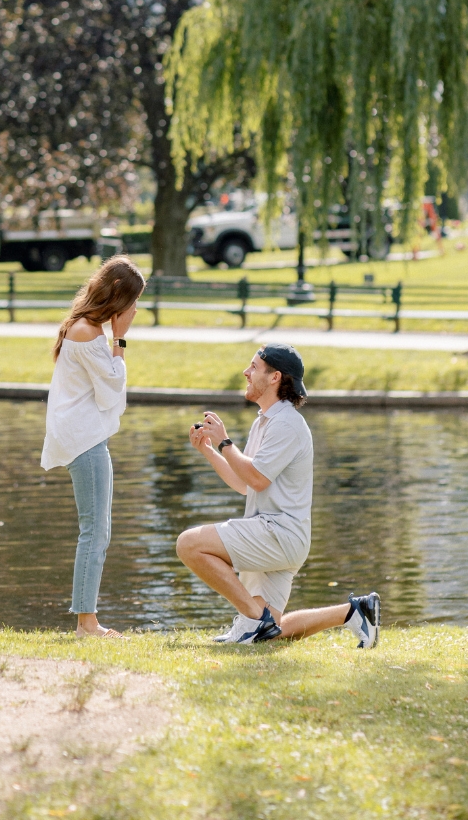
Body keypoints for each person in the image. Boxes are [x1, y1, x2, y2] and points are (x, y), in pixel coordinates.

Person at [176, 343, 381, 647]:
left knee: (189, 544)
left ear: (274, 378)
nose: (246, 373)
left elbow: (256, 479)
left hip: (278, 534)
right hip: (279, 536)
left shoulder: (286, 423)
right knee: (273, 632)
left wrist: (225, 442)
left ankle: (253, 621)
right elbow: (246, 482)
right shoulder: (267, 420)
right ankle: (355, 612)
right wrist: (209, 450)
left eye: (254, 367)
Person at [42, 255, 146, 638]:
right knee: (95, 531)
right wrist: (120, 338)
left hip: (85, 436)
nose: (136, 309)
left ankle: (87, 620)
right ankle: (87, 624)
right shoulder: (89, 333)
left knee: (97, 529)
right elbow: (112, 392)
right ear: (118, 298)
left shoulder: (84, 327)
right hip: (84, 439)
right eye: (133, 301)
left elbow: (107, 392)